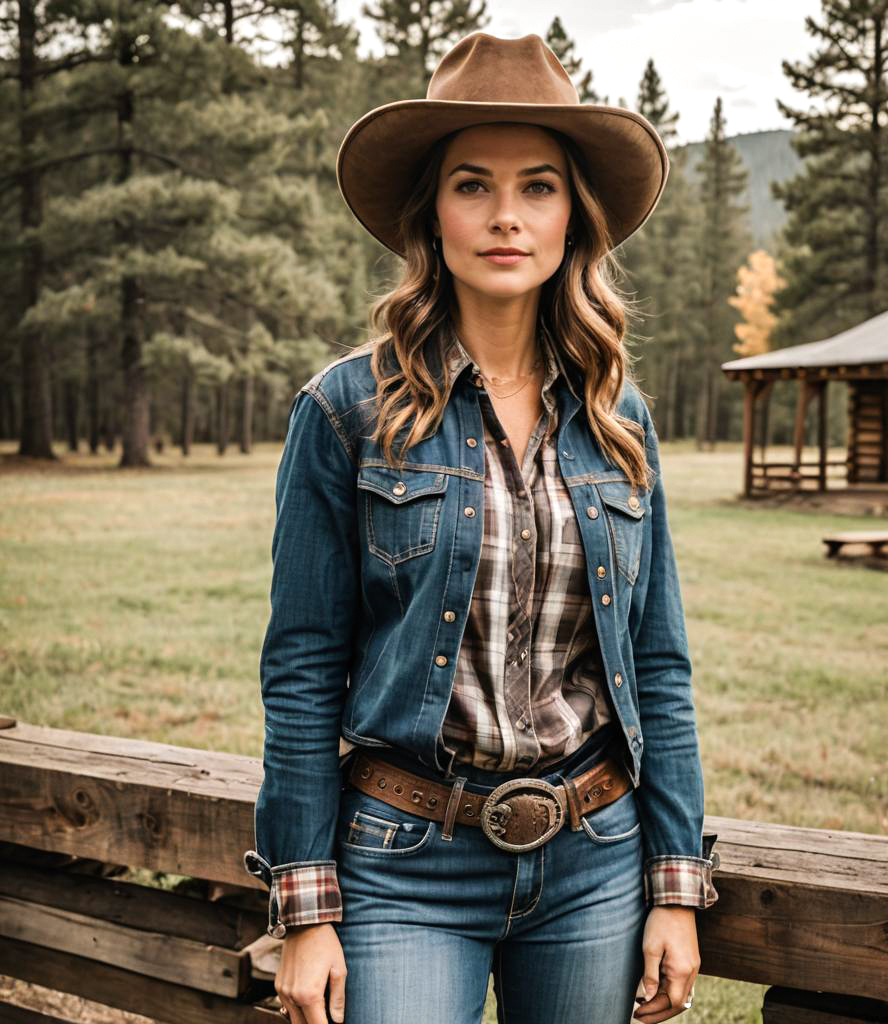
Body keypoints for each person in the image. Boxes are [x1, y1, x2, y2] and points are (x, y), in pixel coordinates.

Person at [243, 30, 719, 1024]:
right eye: (473, 184)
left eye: (538, 186)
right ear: (433, 214)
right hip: (405, 860)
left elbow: (658, 661)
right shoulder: (344, 411)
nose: (506, 215)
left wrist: (673, 883)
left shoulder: (616, 420)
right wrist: (304, 906)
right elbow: (301, 666)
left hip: (594, 855)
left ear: (571, 218)